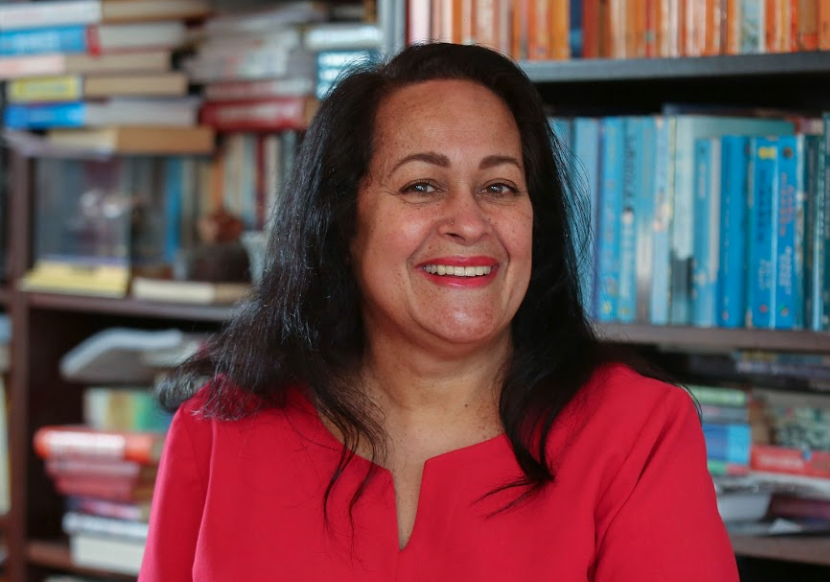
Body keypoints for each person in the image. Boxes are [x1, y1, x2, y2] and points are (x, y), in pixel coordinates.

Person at [139, 43, 739, 581]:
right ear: (343, 224)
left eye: (499, 187)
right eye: (422, 186)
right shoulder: (216, 430)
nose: (470, 223)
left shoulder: (637, 432)